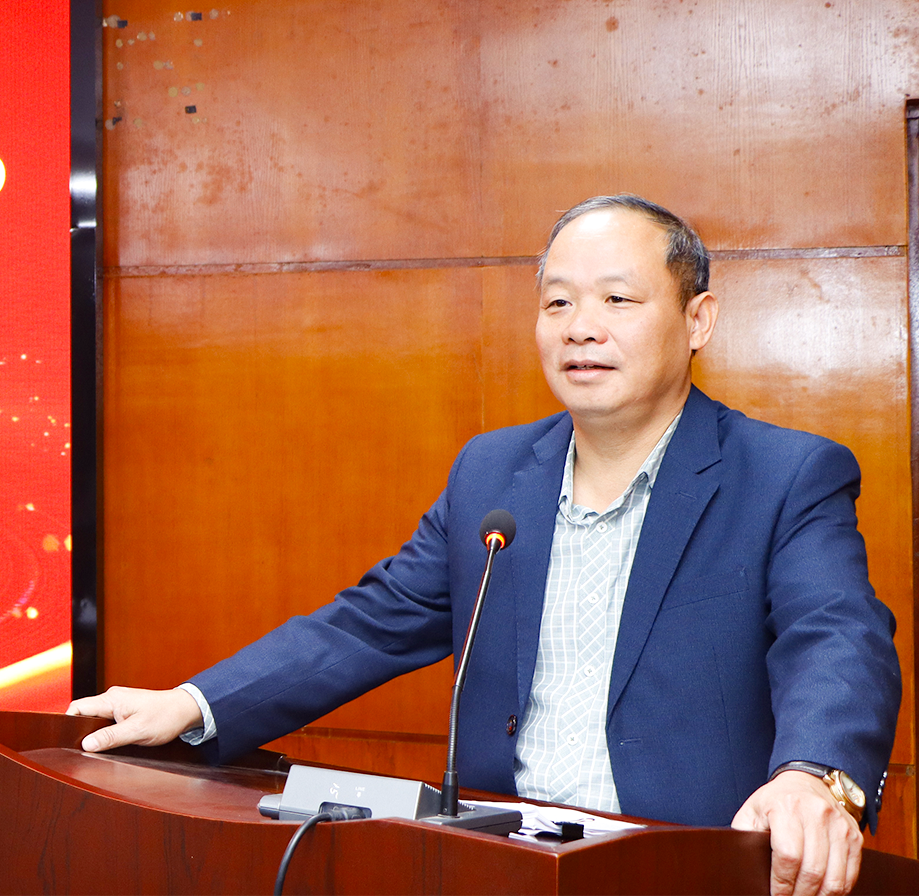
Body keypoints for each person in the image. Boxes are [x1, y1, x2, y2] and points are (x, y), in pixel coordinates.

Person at [68, 195, 900, 896]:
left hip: (680, 868)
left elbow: (835, 634)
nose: (581, 328)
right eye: (557, 303)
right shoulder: (493, 472)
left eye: (617, 299)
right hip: (500, 865)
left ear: (696, 320)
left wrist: (813, 775)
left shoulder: (783, 474)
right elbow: (370, 621)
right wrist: (196, 702)